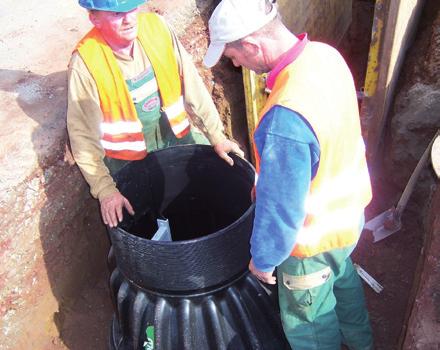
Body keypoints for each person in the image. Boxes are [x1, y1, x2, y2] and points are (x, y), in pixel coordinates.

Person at [204, 0, 374, 349]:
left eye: (234, 55)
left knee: (310, 323)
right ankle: (362, 344)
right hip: (348, 220)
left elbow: (282, 207)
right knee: (343, 283)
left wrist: (264, 260)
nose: (236, 63)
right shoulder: (325, 57)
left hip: (311, 241)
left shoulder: (286, 116)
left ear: (252, 45)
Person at [67, 0, 243, 228]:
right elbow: (82, 137)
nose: (129, 18)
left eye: (132, 8)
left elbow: (194, 87)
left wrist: (217, 136)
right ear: (94, 18)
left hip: (174, 138)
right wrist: (105, 190)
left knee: (212, 183)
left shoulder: (157, 29)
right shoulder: (87, 63)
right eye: (116, 13)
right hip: (127, 162)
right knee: (142, 221)